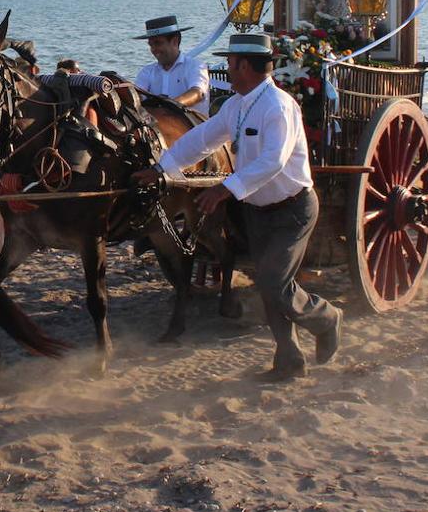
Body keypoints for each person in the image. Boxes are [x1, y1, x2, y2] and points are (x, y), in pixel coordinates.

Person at [132, 33, 341, 381]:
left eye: (230, 63)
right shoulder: (235, 105)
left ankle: (326, 318)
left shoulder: (278, 105)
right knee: (268, 284)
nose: (226, 69)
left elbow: (274, 161)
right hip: (259, 210)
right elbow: (199, 141)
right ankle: (289, 362)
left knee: (275, 282)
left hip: (293, 209)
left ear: (244, 65)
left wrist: (224, 190)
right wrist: (159, 169)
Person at [134, 15, 210, 116]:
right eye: (151, 45)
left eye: (158, 43)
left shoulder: (195, 66)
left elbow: (197, 93)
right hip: (158, 130)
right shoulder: (147, 72)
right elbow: (136, 97)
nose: (153, 49)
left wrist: (167, 108)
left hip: (195, 129)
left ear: (175, 41)